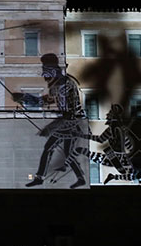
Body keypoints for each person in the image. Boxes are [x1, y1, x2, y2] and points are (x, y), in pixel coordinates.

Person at [11, 54, 88, 188]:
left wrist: (50, 128)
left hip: (71, 122)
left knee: (49, 148)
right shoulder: (57, 85)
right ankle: (80, 177)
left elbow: (67, 113)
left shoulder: (64, 85)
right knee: (67, 152)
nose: (44, 77)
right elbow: (45, 101)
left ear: (52, 71)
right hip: (71, 121)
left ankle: (40, 177)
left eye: (45, 72)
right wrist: (24, 98)